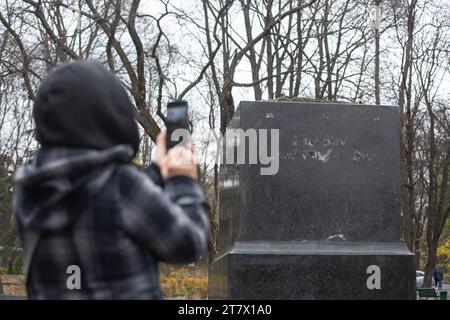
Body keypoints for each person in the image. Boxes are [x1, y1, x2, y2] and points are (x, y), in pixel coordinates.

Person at [13, 60, 208, 299]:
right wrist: (182, 180)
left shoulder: (28, 190)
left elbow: (92, 199)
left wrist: (158, 170)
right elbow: (187, 245)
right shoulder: (122, 187)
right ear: (110, 115)